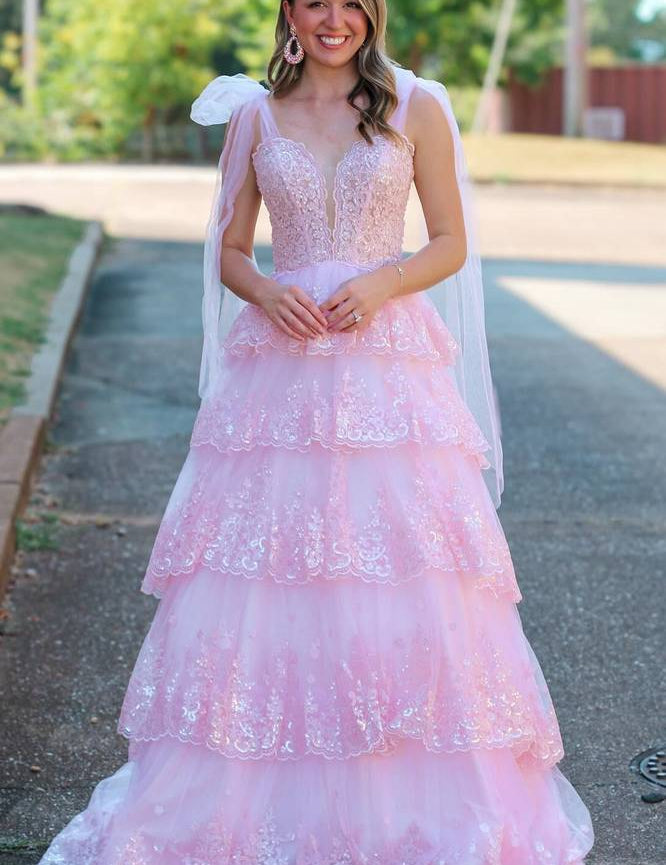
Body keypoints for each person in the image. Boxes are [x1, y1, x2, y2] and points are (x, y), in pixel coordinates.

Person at [38, 1, 595, 862]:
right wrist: (265, 290)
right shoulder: (254, 114)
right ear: (289, 11)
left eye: (351, 2)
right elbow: (226, 248)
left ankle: (410, 800)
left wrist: (383, 284)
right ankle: (247, 801)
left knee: (406, 573)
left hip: (388, 373)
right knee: (270, 574)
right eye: (314, 1)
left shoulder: (419, 105)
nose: (333, 20)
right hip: (283, 375)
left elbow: (450, 242)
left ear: (374, 11)